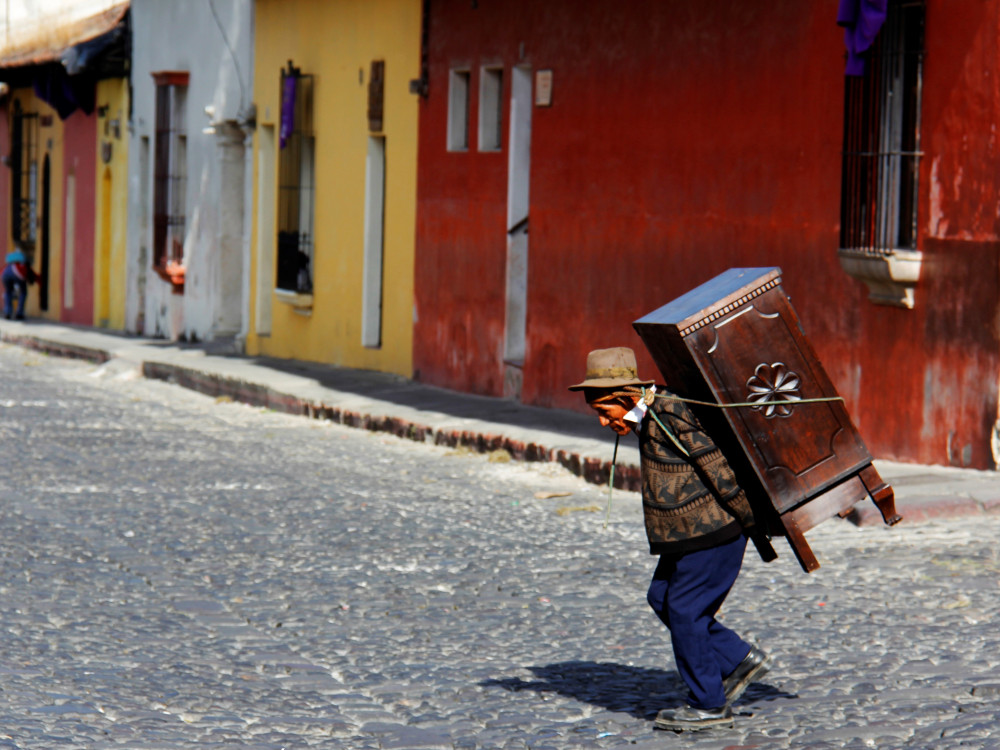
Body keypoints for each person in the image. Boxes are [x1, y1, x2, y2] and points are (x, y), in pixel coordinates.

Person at [569, 347, 772, 732]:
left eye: (604, 411)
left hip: (714, 531)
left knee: (683, 609)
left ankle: (708, 704)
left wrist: (751, 522)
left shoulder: (670, 411)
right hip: (686, 536)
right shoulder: (647, 416)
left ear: (624, 398)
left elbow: (718, 467)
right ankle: (738, 659)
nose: (601, 421)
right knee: (660, 597)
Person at [2, 247, 36, 320]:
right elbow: (28, 272)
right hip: (17, 273)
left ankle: (8, 312)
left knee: (8, 292)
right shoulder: (22, 262)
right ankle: (19, 313)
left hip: (5, 274)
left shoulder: (9, 262)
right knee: (23, 291)